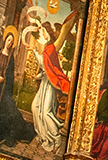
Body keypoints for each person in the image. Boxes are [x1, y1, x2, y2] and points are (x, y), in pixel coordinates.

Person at [30, 12, 78, 152]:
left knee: (46, 111)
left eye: (43, 31)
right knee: (35, 107)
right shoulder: (46, 48)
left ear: (47, 32)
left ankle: (57, 138)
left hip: (50, 84)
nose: (42, 33)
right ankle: (43, 135)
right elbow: (45, 68)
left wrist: (34, 53)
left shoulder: (50, 48)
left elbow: (47, 67)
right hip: (45, 82)